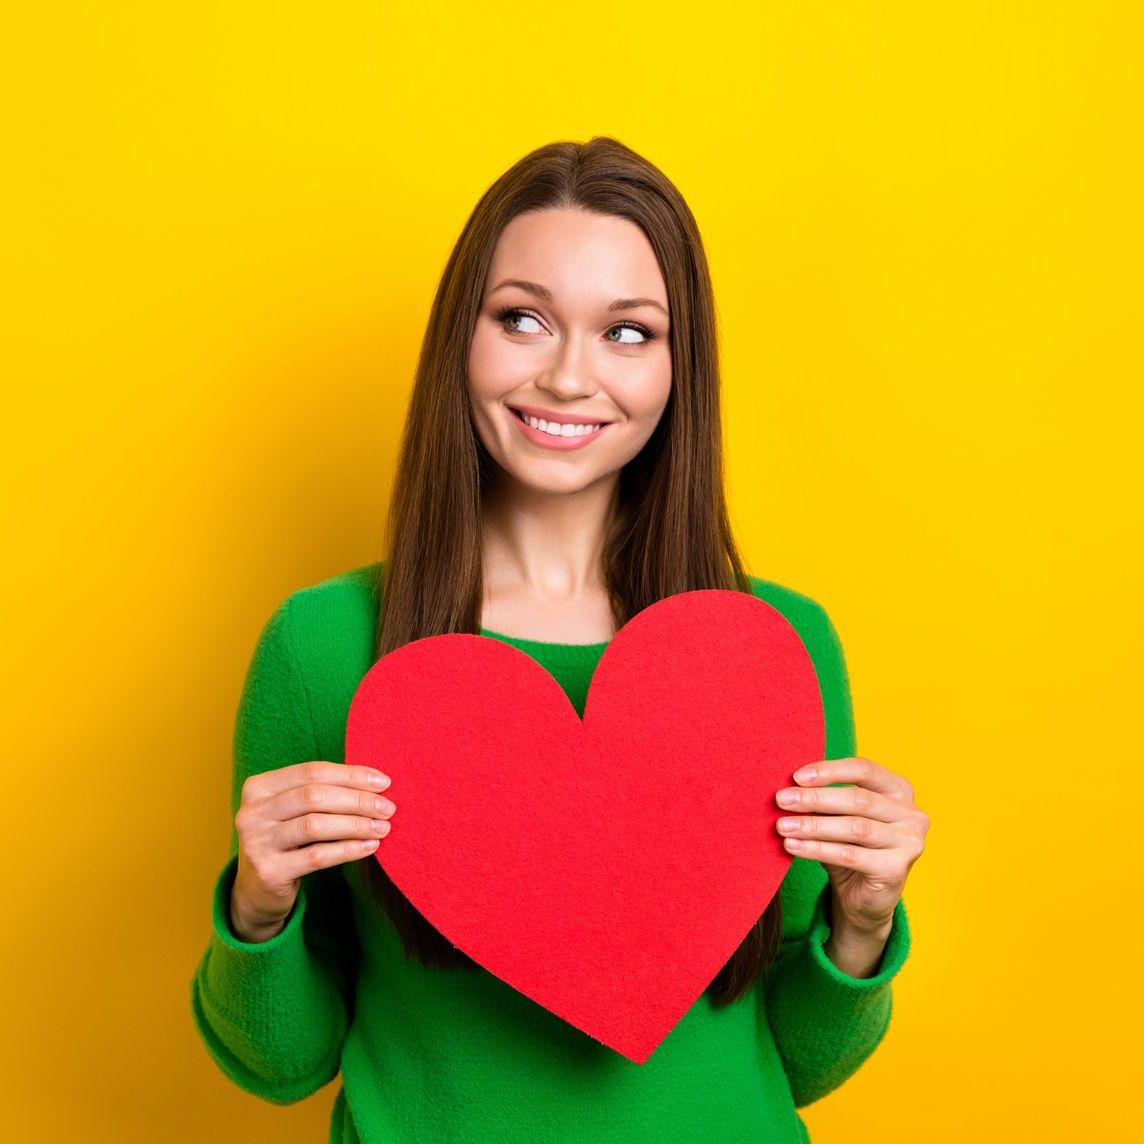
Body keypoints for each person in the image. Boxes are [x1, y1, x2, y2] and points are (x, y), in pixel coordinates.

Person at [191, 136, 929, 1143]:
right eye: (523, 319)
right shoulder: (322, 646)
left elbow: (792, 1063)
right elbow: (279, 1065)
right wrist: (259, 908)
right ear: (463, 334)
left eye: (628, 332)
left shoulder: (775, 650)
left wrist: (862, 921)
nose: (570, 377)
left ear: (681, 367)